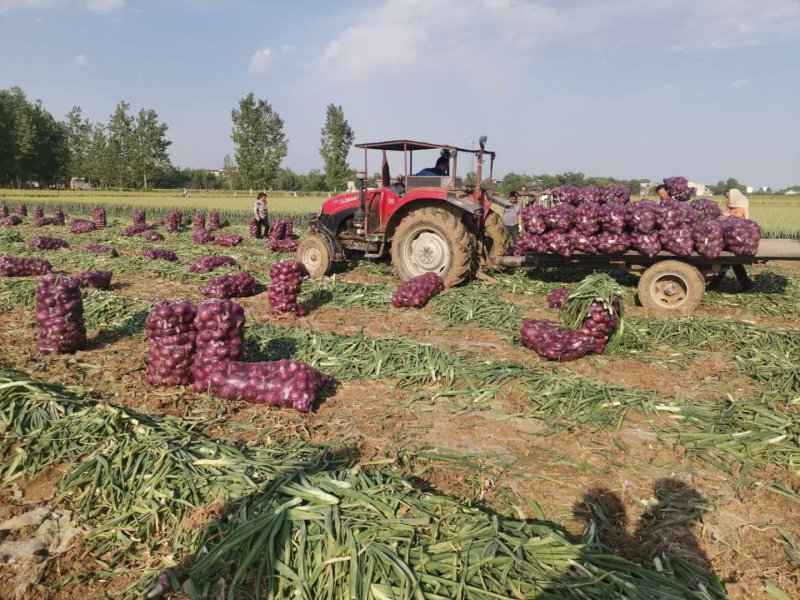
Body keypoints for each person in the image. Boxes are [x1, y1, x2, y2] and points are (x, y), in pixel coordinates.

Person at [709, 188, 754, 292]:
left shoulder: (740, 206)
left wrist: (727, 215)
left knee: (730, 262)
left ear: (734, 197)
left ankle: (714, 285)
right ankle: (747, 285)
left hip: (737, 238)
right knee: (730, 262)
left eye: (727, 197)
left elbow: (737, 218)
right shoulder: (732, 206)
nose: (725, 199)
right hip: (730, 237)